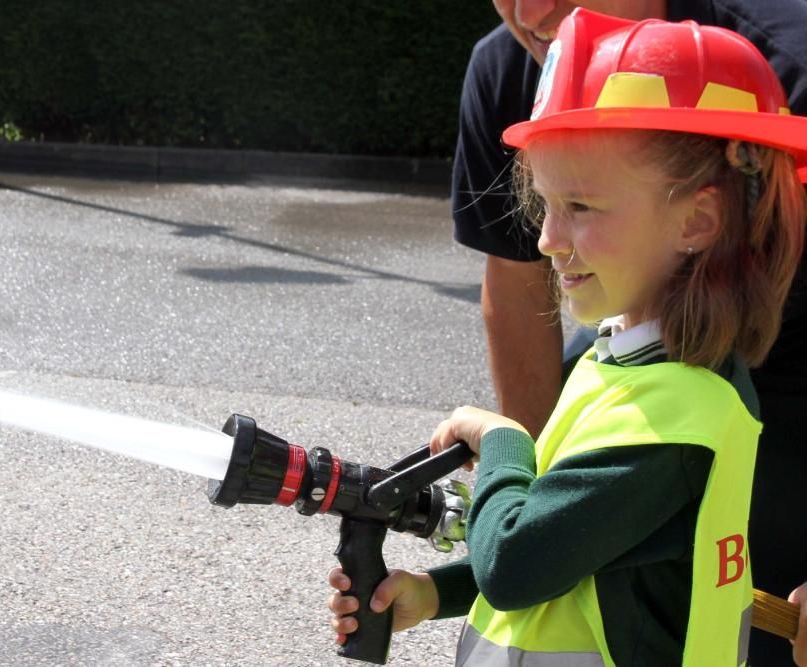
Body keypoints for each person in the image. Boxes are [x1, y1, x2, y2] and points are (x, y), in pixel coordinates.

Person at [328, 9, 807, 666]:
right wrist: (436, 593)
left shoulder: (673, 418)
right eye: (546, 206)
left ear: (696, 220)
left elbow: (518, 560)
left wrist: (504, 442)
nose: (548, 239)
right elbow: (577, 545)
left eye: (580, 207)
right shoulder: (620, 366)